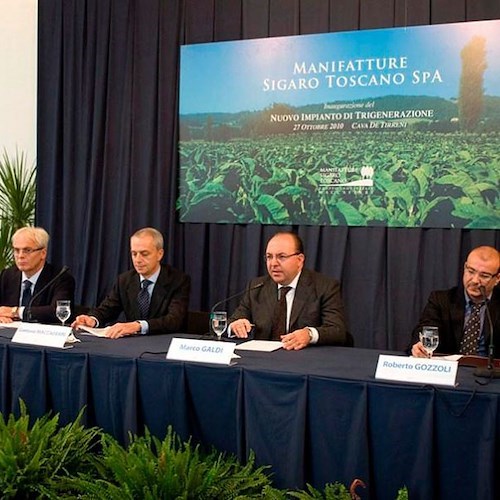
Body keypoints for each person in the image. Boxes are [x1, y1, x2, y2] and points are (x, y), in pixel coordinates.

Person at [228, 231, 348, 350]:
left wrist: (309, 334)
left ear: (300, 260)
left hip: (304, 362)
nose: (273, 263)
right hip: (263, 361)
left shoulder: (324, 287)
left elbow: (337, 330)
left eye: (282, 257)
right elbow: (232, 322)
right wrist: (235, 326)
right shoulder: (257, 286)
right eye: (269, 257)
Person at [72, 227, 190, 339]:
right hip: (132, 345)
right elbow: (107, 309)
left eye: (144, 254)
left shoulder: (178, 280)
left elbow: (174, 320)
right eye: (134, 254)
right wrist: (92, 319)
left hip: (163, 345)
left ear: (160, 254)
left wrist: (138, 326)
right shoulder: (125, 280)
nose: (138, 260)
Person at [410, 246, 500, 358]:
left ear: (497, 279)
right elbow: (426, 328)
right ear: (464, 268)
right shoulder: (441, 300)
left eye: (484, 276)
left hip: (489, 371)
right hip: (448, 369)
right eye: (471, 271)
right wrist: (420, 345)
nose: (475, 280)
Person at [0, 226, 75, 324]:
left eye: (27, 250)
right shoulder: (8, 275)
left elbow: (58, 312)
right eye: (17, 250)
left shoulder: (60, 278)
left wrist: (16, 312)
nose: (20, 256)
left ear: (43, 253)